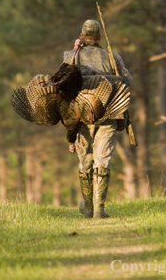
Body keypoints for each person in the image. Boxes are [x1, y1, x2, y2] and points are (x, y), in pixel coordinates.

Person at [63, 19, 132, 219]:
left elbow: (62, 90)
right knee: (102, 160)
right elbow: (128, 81)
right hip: (108, 114)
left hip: (80, 116)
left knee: (85, 161)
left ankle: (89, 208)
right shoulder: (113, 57)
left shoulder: (70, 57)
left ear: (82, 36)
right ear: (100, 37)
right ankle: (99, 210)